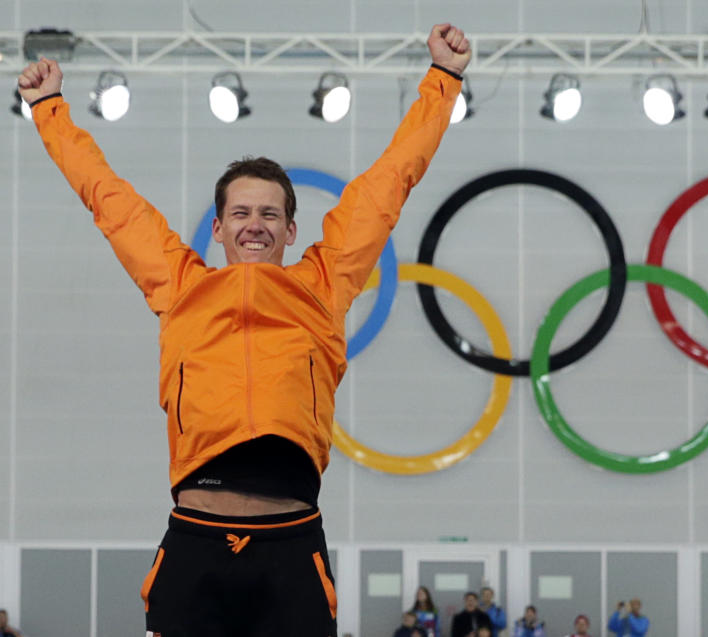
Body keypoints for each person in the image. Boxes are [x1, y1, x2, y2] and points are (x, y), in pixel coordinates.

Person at [17, 23, 471, 637]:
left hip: (291, 544)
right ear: (219, 228)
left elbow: (390, 182)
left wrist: (443, 80)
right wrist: (49, 111)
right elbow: (108, 198)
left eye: (268, 214)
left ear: (290, 229)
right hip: (197, 541)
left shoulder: (323, 283)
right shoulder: (181, 287)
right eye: (240, 212)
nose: (253, 224)